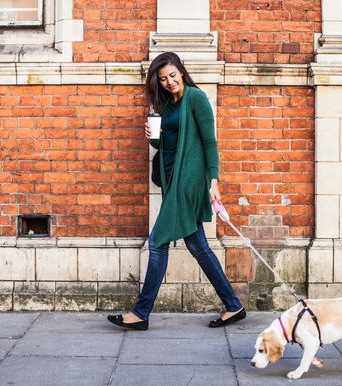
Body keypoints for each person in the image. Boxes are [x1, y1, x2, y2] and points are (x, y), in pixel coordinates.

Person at [107, 52, 246, 330]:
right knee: (198, 246)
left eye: (172, 75)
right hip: (173, 180)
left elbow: (209, 142)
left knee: (158, 243)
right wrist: (153, 136)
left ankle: (142, 312)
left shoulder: (195, 98)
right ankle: (233, 305)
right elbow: (163, 147)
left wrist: (214, 182)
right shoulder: (168, 106)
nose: (169, 82)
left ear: (181, 71)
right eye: (163, 79)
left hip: (189, 181)